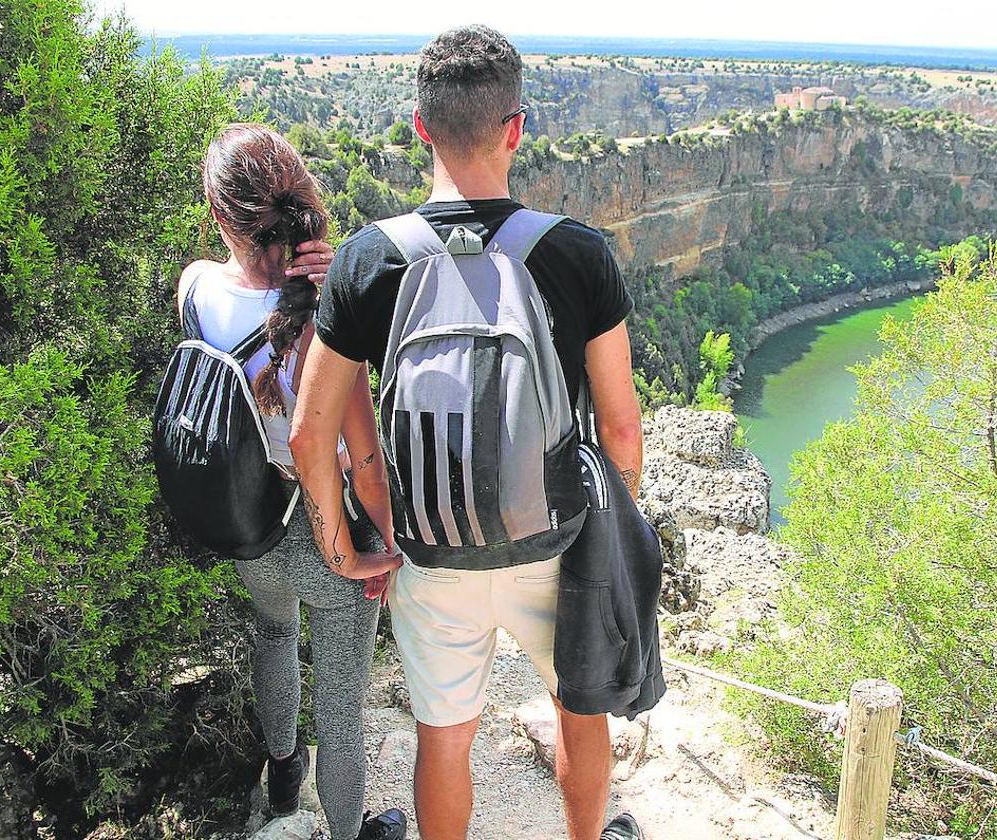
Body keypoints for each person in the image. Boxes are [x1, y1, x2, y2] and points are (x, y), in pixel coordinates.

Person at [290, 27, 645, 840]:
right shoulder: (578, 255)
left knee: (444, 740)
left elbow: (314, 436)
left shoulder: (366, 260)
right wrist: (612, 536)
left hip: (428, 550)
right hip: (556, 543)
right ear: (517, 128)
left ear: (419, 127)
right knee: (578, 715)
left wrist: (349, 544)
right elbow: (621, 426)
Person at [176, 123, 406, 840]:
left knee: (273, 639)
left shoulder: (194, 289)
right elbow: (362, 458)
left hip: (246, 524)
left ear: (220, 217)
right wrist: (384, 545)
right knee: (340, 710)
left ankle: (282, 788)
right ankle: (346, 830)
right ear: (304, 203)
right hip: (327, 536)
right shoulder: (325, 316)